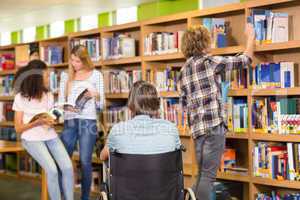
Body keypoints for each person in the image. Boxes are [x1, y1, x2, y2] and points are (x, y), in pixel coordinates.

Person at [179, 24, 255, 200]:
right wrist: (250, 36)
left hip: (198, 131)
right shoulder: (210, 62)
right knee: (208, 176)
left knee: (201, 175)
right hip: (214, 128)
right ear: (203, 43)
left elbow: (184, 103)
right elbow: (246, 60)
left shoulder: (184, 70)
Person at [13, 60, 74, 200]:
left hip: (50, 135)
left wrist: (54, 119)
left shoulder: (48, 95)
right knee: (52, 170)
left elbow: (51, 118)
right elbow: (18, 128)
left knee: (67, 168)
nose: (48, 79)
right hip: (31, 138)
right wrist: (36, 122)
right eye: (46, 76)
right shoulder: (20, 97)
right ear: (37, 78)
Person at [58, 45, 104, 200]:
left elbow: (102, 105)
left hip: (88, 121)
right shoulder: (66, 76)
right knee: (64, 160)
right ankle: (62, 196)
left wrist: (95, 96)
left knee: (85, 161)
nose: (74, 64)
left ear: (85, 60)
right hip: (70, 121)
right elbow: (60, 101)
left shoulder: (96, 75)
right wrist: (62, 109)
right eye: (72, 60)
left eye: (78, 61)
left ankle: (85, 197)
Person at [100, 80, 181, 160]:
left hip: (129, 173)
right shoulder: (171, 128)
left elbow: (102, 157)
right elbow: (177, 156)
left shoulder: (117, 130)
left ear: (131, 103)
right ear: (156, 103)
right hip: (163, 173)